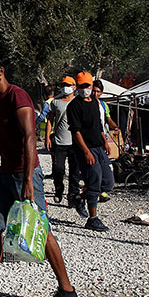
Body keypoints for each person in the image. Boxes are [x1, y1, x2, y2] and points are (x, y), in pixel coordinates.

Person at [0, 50, 79, 297]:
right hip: (6, 173)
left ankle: (67, 291)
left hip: (25, 173)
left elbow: (29, 137)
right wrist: (2, 173)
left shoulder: (17, 96)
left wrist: (27, 181)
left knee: (40, 229)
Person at [67, 72, 114, 232]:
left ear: (92, 86)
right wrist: (86, 152)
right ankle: (93, 218)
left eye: (86, 86)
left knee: (108, 182)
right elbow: (76, 131)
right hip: (85, 149)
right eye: (81, 86)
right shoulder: (74, 106)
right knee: (94, 180)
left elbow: (99, 125)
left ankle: (79, 198)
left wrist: (105, 142)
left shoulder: (95, 103)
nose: (84, 89)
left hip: (99, 147)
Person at [45, 76, 82, 204]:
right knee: (58, 169)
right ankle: (59, 190)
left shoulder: (79, 102)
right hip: (59, 142)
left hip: (75, 143)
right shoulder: (55, 102)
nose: (65, 87)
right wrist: (47, 138)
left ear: (74, 87)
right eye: (63, 84)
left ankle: (72, 195)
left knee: (75, 172)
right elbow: (50, 120)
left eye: (68, 84)